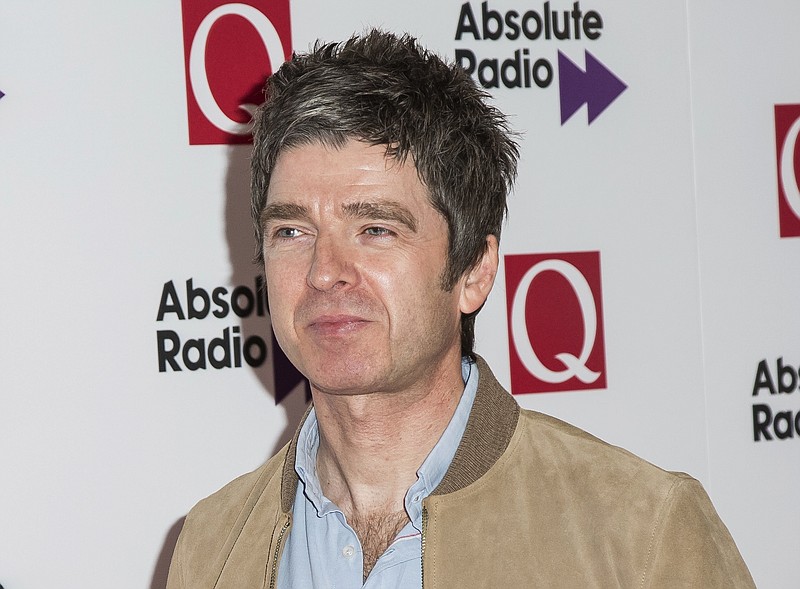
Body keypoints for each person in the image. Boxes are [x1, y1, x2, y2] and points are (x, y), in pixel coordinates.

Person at [166, 30, 755, 588]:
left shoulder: (638, 535)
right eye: (292, 231)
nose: (324, 272)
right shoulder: (211, 548)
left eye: (375, 229)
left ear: (474, 270)